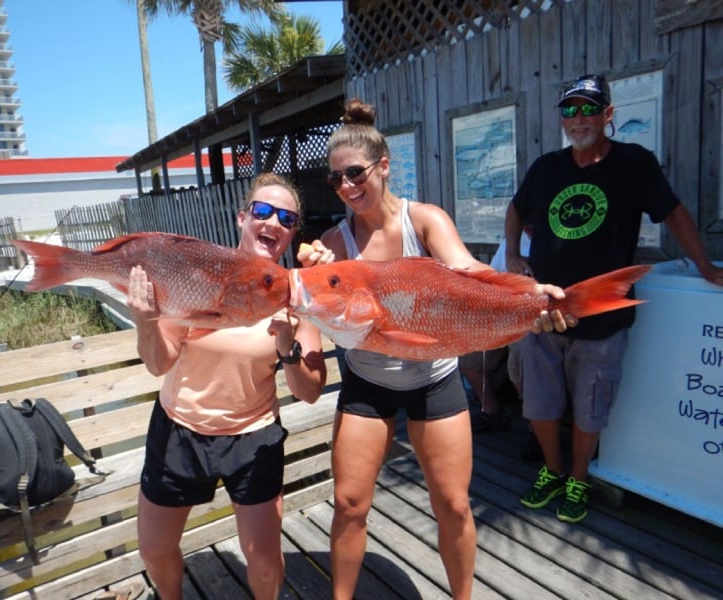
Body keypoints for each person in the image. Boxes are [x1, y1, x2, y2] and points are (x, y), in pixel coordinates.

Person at [301, 98, 570, 600]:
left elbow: (468, 271)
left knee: (454, 505)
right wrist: (309, 267)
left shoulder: (423, 220)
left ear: (383, 167)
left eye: (355, 173)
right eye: (335, 179)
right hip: (367, 382)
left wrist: (527, 295)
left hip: (433, 380)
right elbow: (311, 295)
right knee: (349, 503)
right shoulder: (334, 242)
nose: (346, 187)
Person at [505, 73, 723, 524]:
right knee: (539, 401)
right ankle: (553, 470)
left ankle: (580, 478)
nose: (578, 118)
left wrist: (703, 266)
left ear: (608, 115)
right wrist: (512, 256)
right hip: (544, 311)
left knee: (592, 403)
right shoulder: (546, 168)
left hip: (603, 314)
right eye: (569, 110)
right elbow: (516, 208)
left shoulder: (634, 163)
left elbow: (675, 213)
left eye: (588, 108)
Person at [129, 172, 327, 600]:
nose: (272, 222)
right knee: (155, 549)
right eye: (262, 211)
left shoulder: (297, 295)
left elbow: (310, 392)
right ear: (242, 218)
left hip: (252, 439)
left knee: (264, 560)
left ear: (293, 233)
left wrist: (287, 343)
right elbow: (159, 362)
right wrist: (146, 322)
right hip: (180, 429)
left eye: (286, 218)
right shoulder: (200, 273)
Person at [462, 226, 533, 433]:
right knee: (469, 357)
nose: (527, 227)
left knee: (518, 367)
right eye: (524, 221)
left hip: (534, 321)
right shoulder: (511, 242)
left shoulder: (552, 244)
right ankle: (492, 411)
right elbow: (491, 278)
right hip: (502, 315)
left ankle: (535, 428)